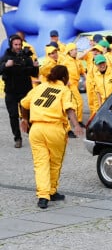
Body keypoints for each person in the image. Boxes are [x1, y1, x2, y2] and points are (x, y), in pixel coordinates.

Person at [18, 65, 84, 209]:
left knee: (40, 163)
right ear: (64, 77)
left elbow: (24, 104)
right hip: (54, 129)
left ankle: (43, 196)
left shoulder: (39, 87)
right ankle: (52, 191)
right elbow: (69, 109)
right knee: (54, 163)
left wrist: (24, 119)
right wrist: (76, 125)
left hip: (35, 129)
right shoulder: (64, 90)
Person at [0, 34, 40, 148]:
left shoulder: (26, 56)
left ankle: (33, 136)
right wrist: (5, 65)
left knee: (29, 114)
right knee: (13, 115)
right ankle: (17, 138)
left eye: (19, 44)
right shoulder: (5, 57)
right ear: (11, 45)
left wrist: (35, 66)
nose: (18, 47)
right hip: (11, 92)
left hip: (25, 91)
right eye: (15, 44)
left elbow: (33, 74)